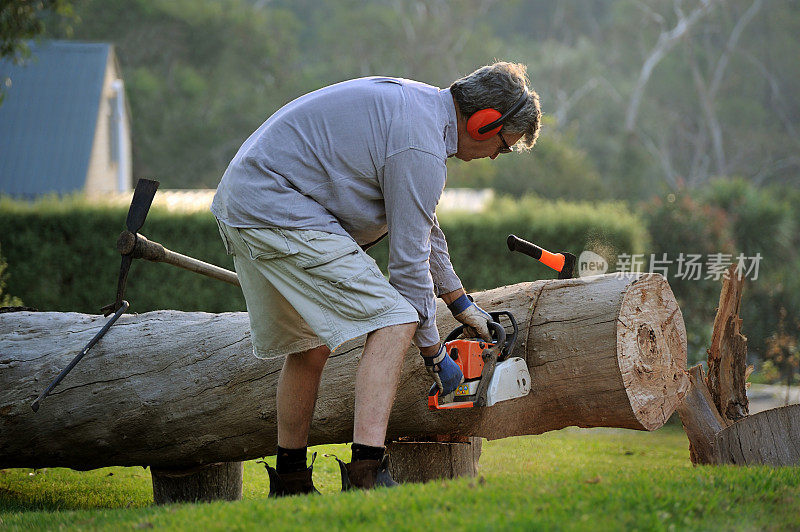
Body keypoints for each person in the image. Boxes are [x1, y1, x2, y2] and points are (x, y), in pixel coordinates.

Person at [211, 61, 541, 495]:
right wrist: (433, 352)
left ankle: (290, 481)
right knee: (396, 319)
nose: (498, 155)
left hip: (244, 204)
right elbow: (406, 267)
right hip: (278, 210)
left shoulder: (420, 114)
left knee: (309, 346)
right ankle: (367, 474)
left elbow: (422, 227)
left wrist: (462, 304)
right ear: (483, 123)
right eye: (504, 145)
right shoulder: (421, 147)